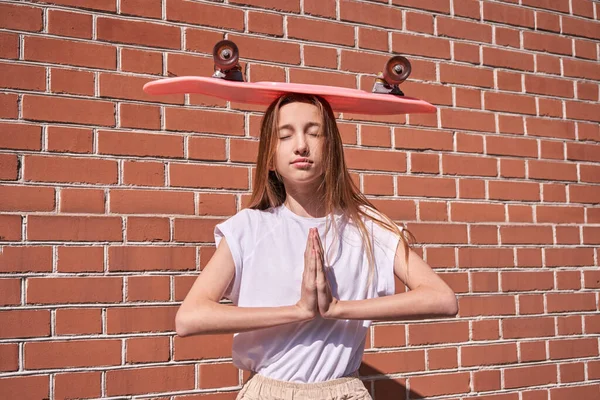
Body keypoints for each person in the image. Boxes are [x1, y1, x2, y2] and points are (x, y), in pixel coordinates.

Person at [175, 93, 458, 400]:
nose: (301, 145)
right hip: (269, 392)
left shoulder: (367, 228)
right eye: (285, 135)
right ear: (269, 157)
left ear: (332, 148)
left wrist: (338, 309)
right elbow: (189, 318)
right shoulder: (248, 228)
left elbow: (442, 298)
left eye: (313, 132)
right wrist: (298, 311)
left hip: (343, 391)